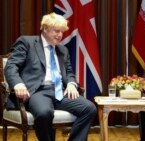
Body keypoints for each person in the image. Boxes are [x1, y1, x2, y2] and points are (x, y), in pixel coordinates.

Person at [4, 12, 96, 141]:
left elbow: (69, 72)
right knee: (43, 113)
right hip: (37, 91)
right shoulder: (27, 42)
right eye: (56, 31)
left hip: (60, 92)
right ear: (45, 29)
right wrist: (18, 84)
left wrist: (71, 84)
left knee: (89, 108)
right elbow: (11, 66)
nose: (60, 35)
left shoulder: (63, 50)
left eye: (62, 32)